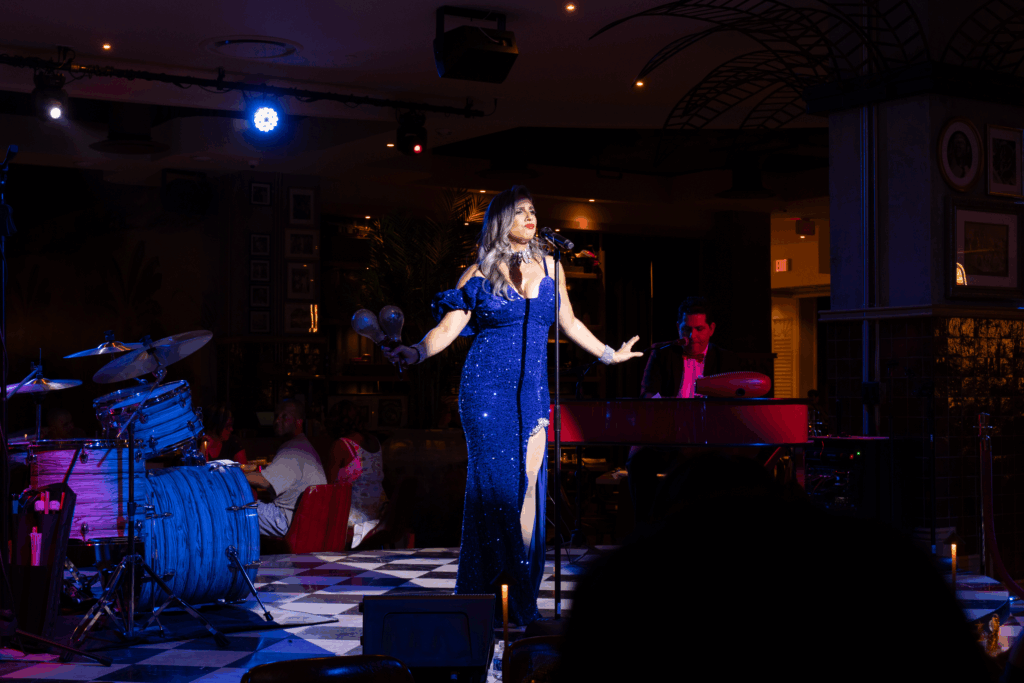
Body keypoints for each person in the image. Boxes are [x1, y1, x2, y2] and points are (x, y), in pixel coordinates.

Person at [384, 185, 642, 626]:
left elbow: (569, 321)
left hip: (532, 395)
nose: (530, 217)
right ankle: (513, 607)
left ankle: (510, 598)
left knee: (525, 501)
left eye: (533, 211)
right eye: (520, 211)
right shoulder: (479, 273)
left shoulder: (551, 267)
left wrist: (609, 354)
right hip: (485, 393)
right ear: (502, 220)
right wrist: (416, 352)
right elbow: (449, 328)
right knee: (497, 496)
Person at [627, 296, 740, 526]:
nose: (692, 336)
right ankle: (645, 533)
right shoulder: (662, 354)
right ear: (678, 328)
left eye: (699, 329)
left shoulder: (726, 359)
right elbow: (648, 394)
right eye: (686, 329)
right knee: (639, 461)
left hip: (709, 440)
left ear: (711, 329)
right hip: (669, 436)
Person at [243, 399, 326, 537]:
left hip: (289, 521)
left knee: (234, 509)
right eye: (276, 416)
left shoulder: (294, 448)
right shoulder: (304, 446)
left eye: (284, 416)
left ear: (298, 422)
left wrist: (232, 474)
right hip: (305, 522)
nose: (277, 421)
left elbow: (265, 481)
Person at [328, 400, 387, 548]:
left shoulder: (341, 445)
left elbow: (327, 485)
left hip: (353, 517)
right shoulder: (375, 442)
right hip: (378, 514)